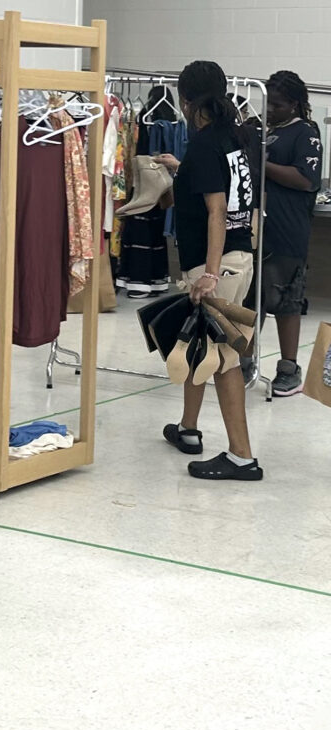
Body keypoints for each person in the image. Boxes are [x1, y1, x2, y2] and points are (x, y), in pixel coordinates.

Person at [155, 60, 263, 481]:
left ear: (185, 100)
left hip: (216, 264)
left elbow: (216, 210)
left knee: (224, 359)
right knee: (200, 346)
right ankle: (188, 428)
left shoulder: (203, 143)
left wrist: (210, 274)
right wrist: (180, 172)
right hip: (239, 256)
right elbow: (224, 192)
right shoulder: (233, 137)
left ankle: (241, 456)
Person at [243, 71, 323, 397]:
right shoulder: (261, 129)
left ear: (295, 104)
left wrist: (261, 165)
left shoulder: (306, 133)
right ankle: (246, 360)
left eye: (277, 105)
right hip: (254, 226)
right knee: (251, 297)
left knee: (285, 298)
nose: (271, 110)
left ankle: (289, 367)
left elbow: (305, 179)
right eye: (268, 104)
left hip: (287, 228)